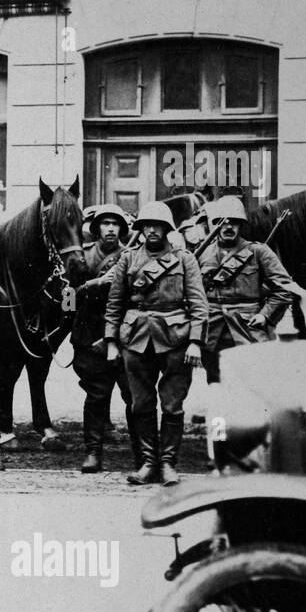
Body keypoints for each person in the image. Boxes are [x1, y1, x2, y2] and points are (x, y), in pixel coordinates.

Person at [104, 201, 208, 487]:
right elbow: (114, 304)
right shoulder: (127, 260)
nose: (151, 230)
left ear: (166, 229)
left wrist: (196, 342)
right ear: (140, 229)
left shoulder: (185, 259)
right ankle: (148, 463)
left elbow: (199, 305)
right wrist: (112, 341)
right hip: (135, 340)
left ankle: (168, 464)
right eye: (146, 225)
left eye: (157, 226)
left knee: (173, 406)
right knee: (141, 405)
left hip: (175, 339)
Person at [195, 195, 295, 383]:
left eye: (234, 222)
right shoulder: (202, 254)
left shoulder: (259, 252)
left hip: (246, 329)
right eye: (223, 222)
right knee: (215, 384)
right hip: (212, 331)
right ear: (215, 224)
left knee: (248, 384)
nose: (228, 227)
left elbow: (285, 289)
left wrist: (265, 315)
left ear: (241, 225)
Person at [72, 204, 136, 474]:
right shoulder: (82, 258)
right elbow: (66, 301)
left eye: (115, 224)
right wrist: (93, 285)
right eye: (105, 223)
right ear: (96, 228)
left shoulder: (132, 256)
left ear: (122, 229)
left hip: (125, 334)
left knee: (134, 396)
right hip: (90, 334)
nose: (110, 228)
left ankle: (142, 453)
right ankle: (92, 452)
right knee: (96, 395)